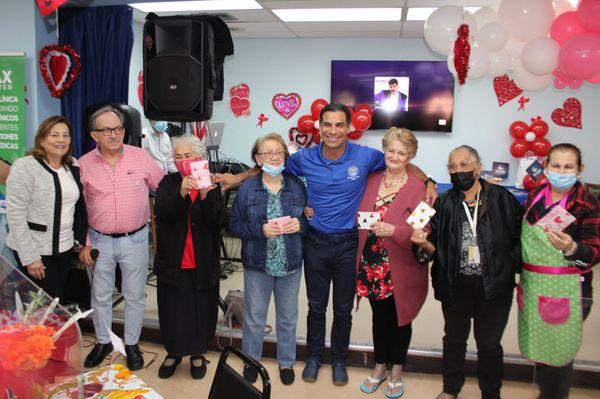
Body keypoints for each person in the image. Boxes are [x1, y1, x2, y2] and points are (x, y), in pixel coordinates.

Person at [215, 103, 436, 386]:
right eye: (327, 125)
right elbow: (269, 167)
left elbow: (400, 160)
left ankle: (340, 360)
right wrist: (238, 177)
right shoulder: (304, 158)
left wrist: (427, 179)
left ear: (349, 127)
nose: (333, 131)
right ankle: (314, 357)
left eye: (339, 125)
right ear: (319, 127)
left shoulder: (366, 156)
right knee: (315, 307)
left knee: (343, 310)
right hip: (316, 242)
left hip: (348, 245)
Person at [411, 145, 522, 399]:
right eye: (452, 166)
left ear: (477, 167)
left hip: (494, 286)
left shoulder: (502, 198)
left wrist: (506, 266)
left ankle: (491, 393)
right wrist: (422, 243)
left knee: (489, 344)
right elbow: (433, 246)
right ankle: (451, 388)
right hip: (455, 285)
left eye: (464, 164)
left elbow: (519, 236)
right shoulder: (443, 202)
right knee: (453, 340)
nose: (458, 170)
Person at [78, 105, 165, 371]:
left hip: (135, 240)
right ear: (95, 135)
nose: (114, 134)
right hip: (99, 241)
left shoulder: (141, 158)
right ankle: (103, 341)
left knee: (135, 295)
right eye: (106, 130)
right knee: (101, 295)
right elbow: (78, 211)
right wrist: (85, 244)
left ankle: (131, 343)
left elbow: (163, 189)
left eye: (118, 128)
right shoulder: (82, 165)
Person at [518, 143, 599, 399]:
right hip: (533, 285)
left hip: (567, 290)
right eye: (555, 165)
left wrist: (572, 248)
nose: (561, 171)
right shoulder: (537, 194)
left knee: (559, 353)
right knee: (542, 348)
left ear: (579, 169)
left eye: (568, 167)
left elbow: (594, 252)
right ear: (546, 166)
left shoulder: (585, 204)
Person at [229, 133, 307, 386]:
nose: (274, 157)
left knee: (287, 317)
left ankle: (286, 362)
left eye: (278, 152)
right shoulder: (248, 188)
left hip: (290, 262)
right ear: (257, 158)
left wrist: (301, 224)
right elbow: (234, 224)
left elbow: (309, 219)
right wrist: (259, 230)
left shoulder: (296, 185)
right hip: (257, 263)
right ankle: (252, 360)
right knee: (254, 317)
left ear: (285, 155)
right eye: (267, 153)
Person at [356, 128, 428, 398]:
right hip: (371, 263)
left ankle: (396, 371)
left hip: (401, 266)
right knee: (379, 319)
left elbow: (423, 229)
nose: (395, 156)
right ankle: (379, 368)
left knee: (400, 320)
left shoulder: (419, 188)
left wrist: (395, 231)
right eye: (391, 150)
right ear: (384, 150)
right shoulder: (371, 179)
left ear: (410, 156)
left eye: (402, 152)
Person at [153, 135, 227, 380]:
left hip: (203, 260)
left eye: (189, 156)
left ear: (199, 157)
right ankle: (173, 353)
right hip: (173, 259)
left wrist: (206, 196)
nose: (184, 161)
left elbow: (219, 221)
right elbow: (162, 214)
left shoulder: (210, 183)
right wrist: (181, 193)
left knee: (200, 308)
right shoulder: (168, 182)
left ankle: (197, 352)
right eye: (178, 157)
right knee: (173, 308)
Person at [6, 116, 87, 301]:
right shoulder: (25, 166)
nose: (61, 140)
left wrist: (79, 241)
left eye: (66, 135)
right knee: (43, 305)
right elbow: (16, 215)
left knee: (56, 302)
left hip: (65, 249)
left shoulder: (72, 165)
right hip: (36, 250)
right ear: (42, 140)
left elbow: (78, 206)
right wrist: (30, 257)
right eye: (55, 134)